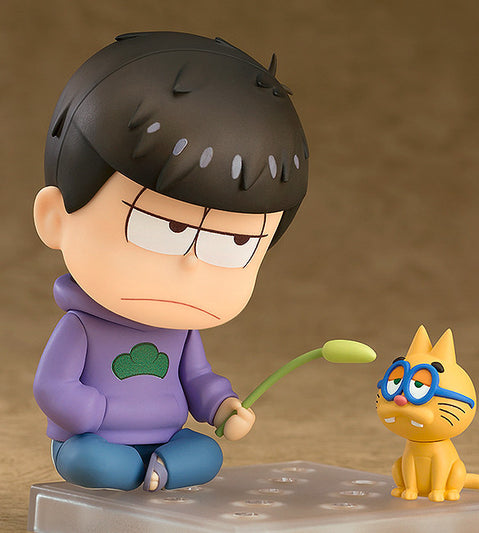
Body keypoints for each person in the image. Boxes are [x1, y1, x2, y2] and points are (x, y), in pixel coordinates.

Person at [33, 31, 308, 492]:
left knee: (208, 454)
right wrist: (98, 413)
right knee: (91, 461)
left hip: (167, 437)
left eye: (236, 244)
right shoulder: (81, 326)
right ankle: (141, 476)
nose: (192, 267)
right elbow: (52, 387)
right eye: (164, 229)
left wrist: (223, 407)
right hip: (95, 440)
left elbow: (197, 377)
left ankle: (159, 471)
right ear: (55, 218)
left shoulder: (181, 331)